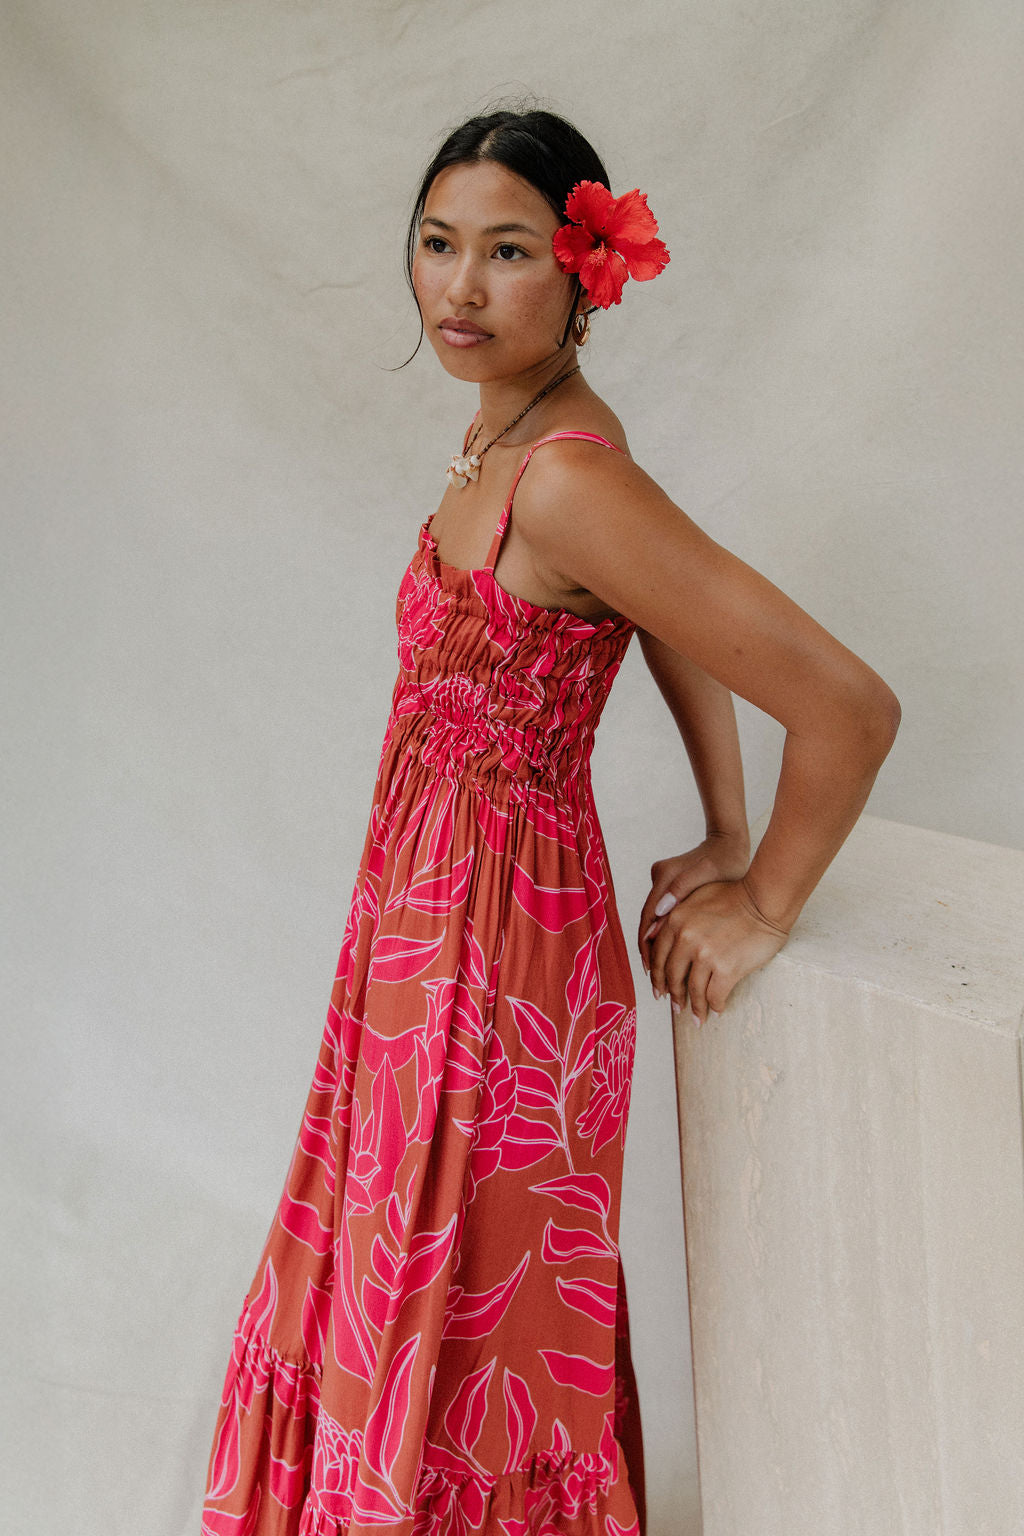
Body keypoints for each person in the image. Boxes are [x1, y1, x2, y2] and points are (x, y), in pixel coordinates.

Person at [201, 108, 899, 1536]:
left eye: (508, 251)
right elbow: (665, 609)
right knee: (404, 1258)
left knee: (475, 1302)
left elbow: (848, 702)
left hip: (504, 967)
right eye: (438, 243)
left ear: (584, 277)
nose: (459, 287)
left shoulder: (570, 474)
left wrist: (760, 891)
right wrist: (718, 811)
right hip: (419, 920)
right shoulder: (520, 425)